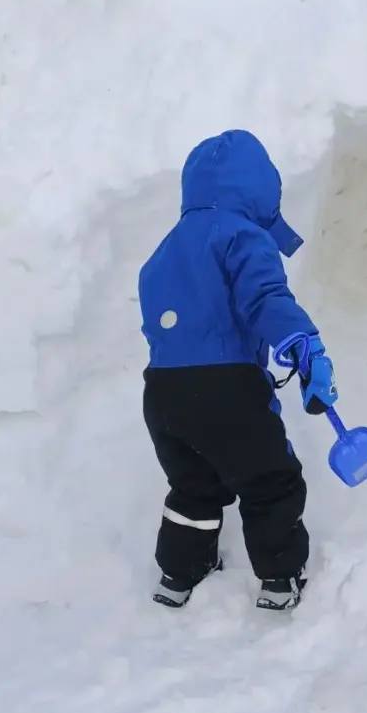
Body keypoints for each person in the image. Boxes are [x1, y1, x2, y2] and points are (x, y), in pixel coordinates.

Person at [138, 129, 338, 613]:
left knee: (194, 485)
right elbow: (265, 299)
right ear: (258, 190)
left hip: (162, 392)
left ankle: (178, 574)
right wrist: (301, 344)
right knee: (271, 480)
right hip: (227, 386)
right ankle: (278, 577)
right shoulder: (242, 235)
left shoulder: (163, 250)